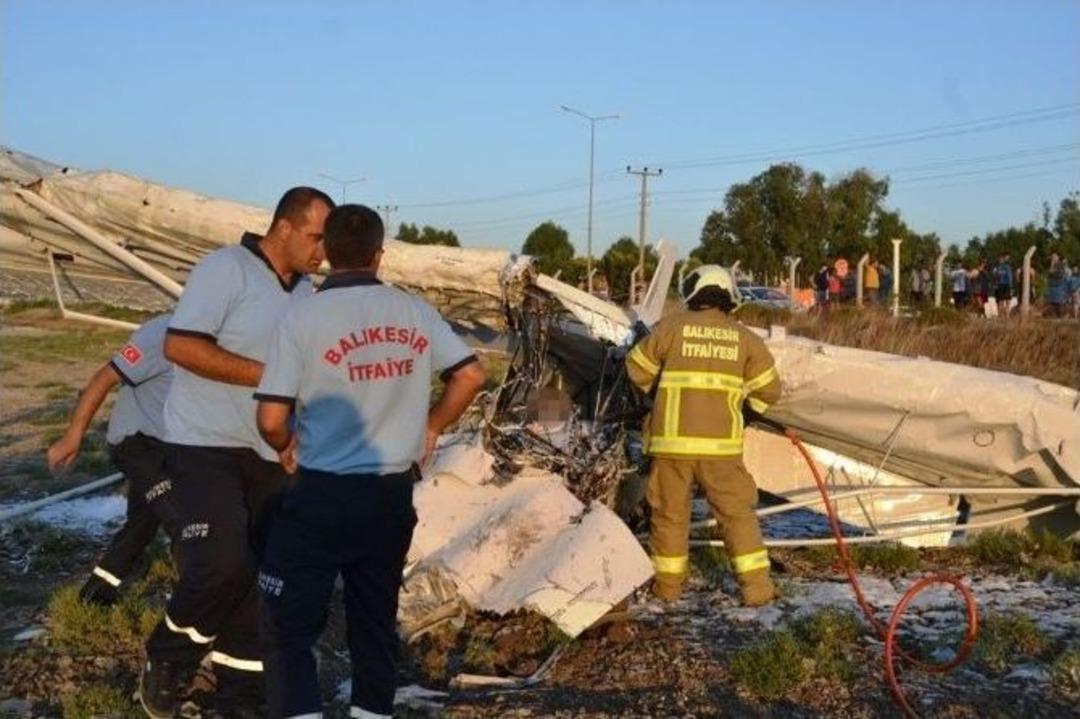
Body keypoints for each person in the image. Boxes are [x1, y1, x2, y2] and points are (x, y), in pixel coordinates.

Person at [254, 204, 486, 719]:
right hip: (388, 495)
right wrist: (432, 426)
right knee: (375, 623)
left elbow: (270, 419)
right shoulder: (414, 312)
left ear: (326, 252)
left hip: (320, 493)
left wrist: (284, 446)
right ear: (380, 255)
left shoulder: (302, 317)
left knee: (288, 626)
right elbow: (471, 375)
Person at [139, 187, 334, 719]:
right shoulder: (225, 269)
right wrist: (271, 378)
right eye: (317, 238)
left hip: (271, 450)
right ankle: (170, 655)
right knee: (223, 562)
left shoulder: (306, 294)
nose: (323, 252)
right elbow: (180, 346)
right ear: (284, 228)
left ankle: (239, 692)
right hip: (204, 442)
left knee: (263, 577)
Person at [624, 265, 781, 607]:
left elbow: (635, 368)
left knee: (669, 516)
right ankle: (757, 590)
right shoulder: (745, 338)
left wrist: (659, 393)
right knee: (737, 516)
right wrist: (745, 414)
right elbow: (769, 390)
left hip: (670, 445)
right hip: (721, 450)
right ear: (728, 295)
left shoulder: (670, 328)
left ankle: (668, 589)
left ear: (692, 292)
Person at [46, 314, 175, 606]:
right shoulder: (160, 333)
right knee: (180, 517)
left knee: (142, 523)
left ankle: (95, 595)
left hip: (173, 444)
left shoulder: (224, 335)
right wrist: (72, 437)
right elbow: (103, 378)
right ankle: (197, 608)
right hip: (135, 441)